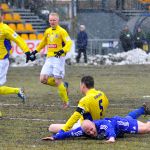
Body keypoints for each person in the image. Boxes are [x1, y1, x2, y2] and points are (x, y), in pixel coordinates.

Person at [42, 104, 150, 142]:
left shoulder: (102, 124)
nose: (90, 132)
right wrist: (55, 137)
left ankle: (142, 110)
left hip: (118, 124)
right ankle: (142, 109)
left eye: (91, 129)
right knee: (129, 118)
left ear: (94, 124)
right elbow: (68, 134)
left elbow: (109, 128)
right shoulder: (83, 130)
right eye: (88, 132)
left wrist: (112, 138)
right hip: (119, 126)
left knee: (146, 129)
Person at [30, 12, 72, 109]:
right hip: (49, 58)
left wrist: (62, 51)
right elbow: (43, 43)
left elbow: (69, 43)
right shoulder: (48, 31)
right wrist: (35, 51)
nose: (52, 22)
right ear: (49, 20)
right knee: (42, 79)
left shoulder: (62, 31)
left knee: (57, 80)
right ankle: (63, 86)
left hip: (58, 58)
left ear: (58, 21)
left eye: (54, 20)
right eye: (51, 20)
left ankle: (66, 102)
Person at [0, 10, 32, 103]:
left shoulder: (5, 29)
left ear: (2, 17)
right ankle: (17, 91)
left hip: (1, 61)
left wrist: (27, 52)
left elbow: (18, 39)